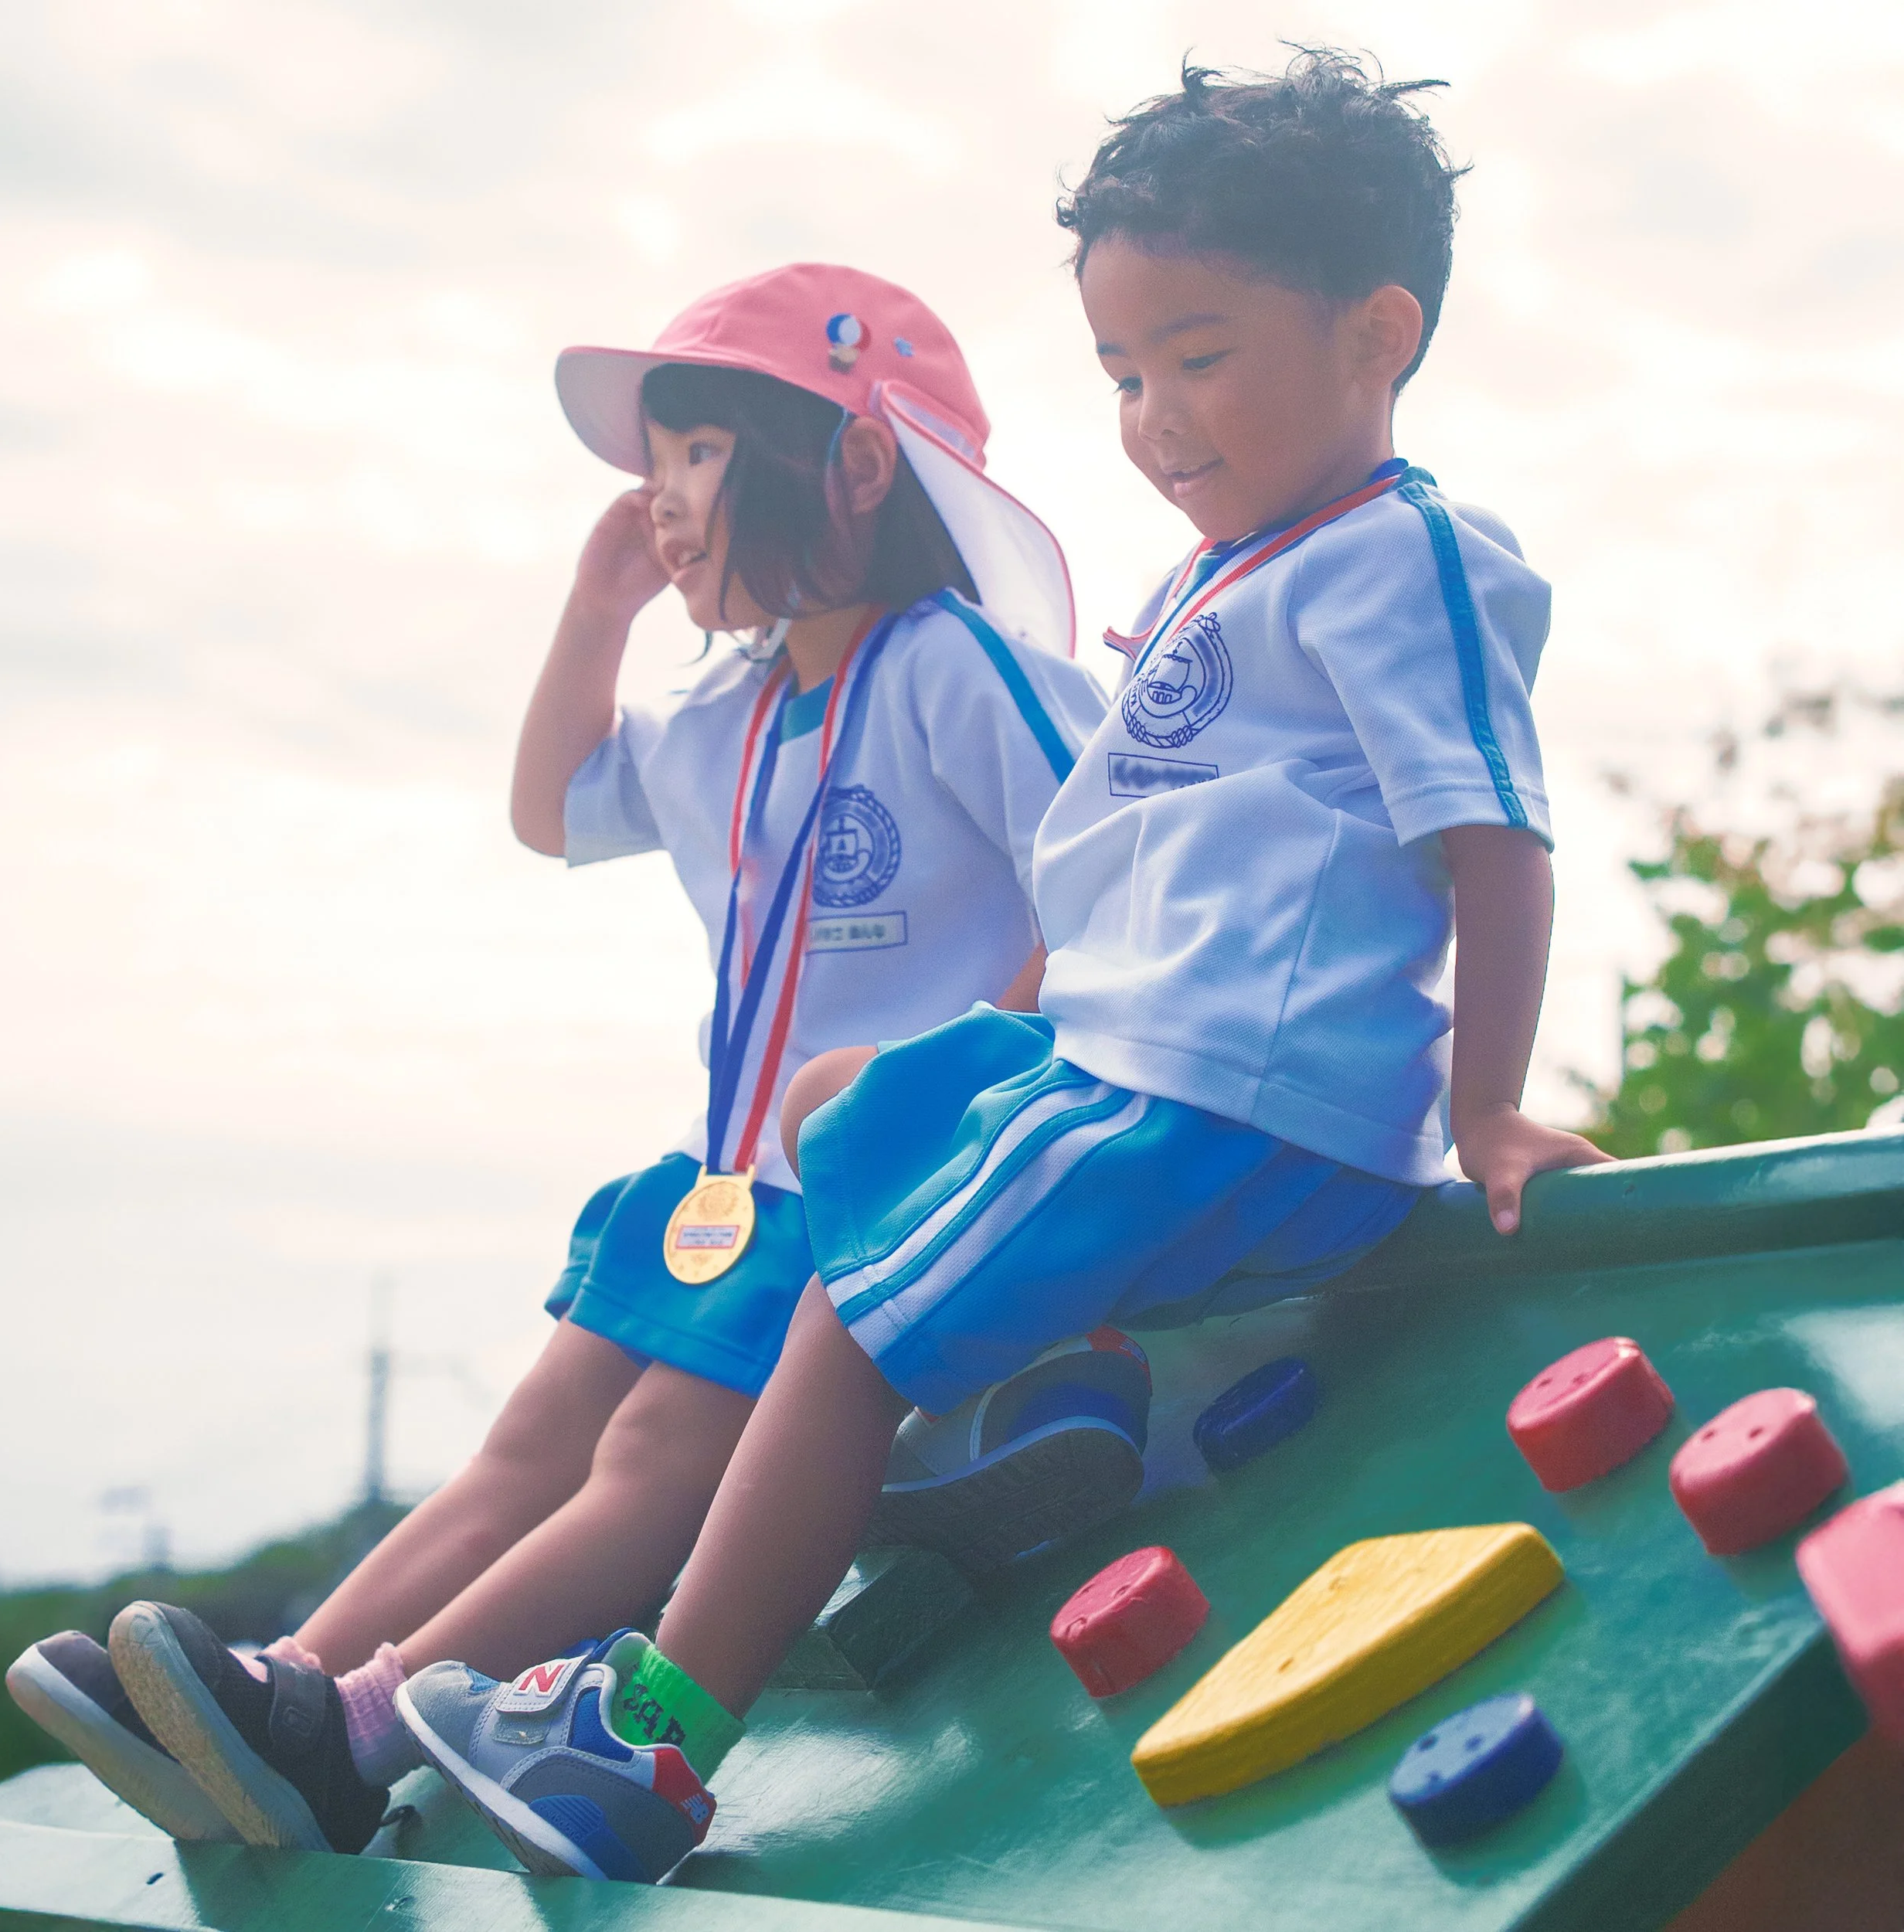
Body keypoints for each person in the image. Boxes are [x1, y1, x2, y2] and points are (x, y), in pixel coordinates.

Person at [373, 53, 1617, 1886]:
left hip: (1214, 1095)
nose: (1154, 415)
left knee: (844, 1310)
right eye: (1122, 373)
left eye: (1199, 358)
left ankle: (641, 1743)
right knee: (868, 1115)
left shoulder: (1398, 551)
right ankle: (1020, 1399)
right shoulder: (1220, 571)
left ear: (1376, 330)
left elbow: (1487, 831)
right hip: (1128, 1065)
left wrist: (1486, 1101)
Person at [6, 263, 1109, 1857]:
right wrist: (598, 608)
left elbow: (1096, 866)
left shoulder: (948, 660)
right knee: (532, 1433)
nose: (659, 505)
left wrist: (962, 1083)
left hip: (871, 1167)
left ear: (857, 464)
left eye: (697, 458)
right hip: (726, 1174)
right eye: (649, 473)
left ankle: (366, 1722)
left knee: (652, 1452)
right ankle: (283, 1685)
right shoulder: (724, 707)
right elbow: (553, 805)